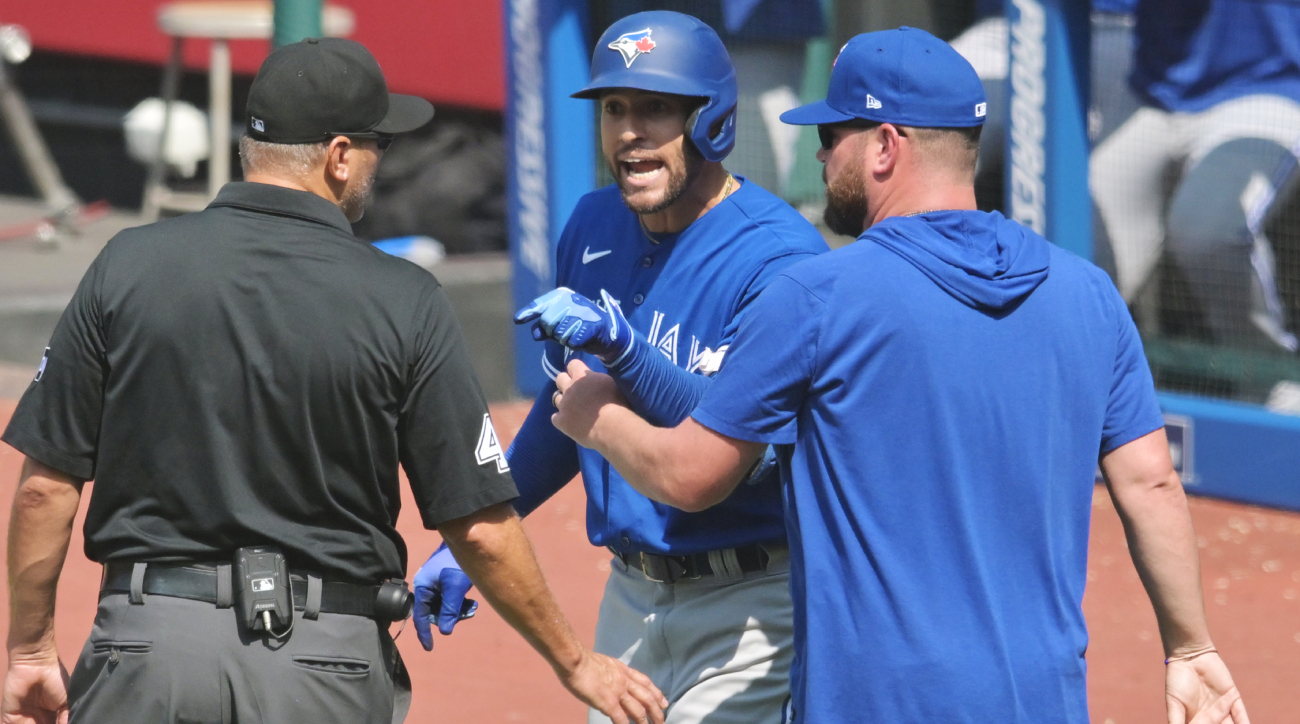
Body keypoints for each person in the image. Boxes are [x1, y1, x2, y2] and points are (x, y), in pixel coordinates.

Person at [547, 27, 1250, 724]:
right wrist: (1190, 647)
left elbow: (691, 477)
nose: (819, 154)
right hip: (1042, 698)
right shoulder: (1088, 293)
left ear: (885, 145)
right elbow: (1153, 482)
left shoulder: (819, 298)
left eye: (834, 135)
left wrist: (596, 415)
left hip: (877, 702)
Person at [1, 38, 664, 724]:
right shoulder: (403, 299)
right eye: (379, 144)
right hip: (320, 667)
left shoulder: (124, 266)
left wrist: (29, 651)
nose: (382, 162)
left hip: (146, 656)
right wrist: (575, 663)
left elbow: (44, 489)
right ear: (339, 155)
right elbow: (482, 530)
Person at [414, 11, 828, 724]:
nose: (629, 131)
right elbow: (570, 407)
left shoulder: (779, 259)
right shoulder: (592, 224)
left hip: (752, 608)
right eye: (614, 109)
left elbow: (745, 458)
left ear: (712, 121)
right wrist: (485, 530)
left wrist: (629, 355)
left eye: (655, 109)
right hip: (628, 601)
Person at [1091, 0, 1300, 353]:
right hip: (1151, 91)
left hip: (1269, 88)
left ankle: (1270, 386)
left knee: (1208, 231)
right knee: (1075, 246)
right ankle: (1104, 390)